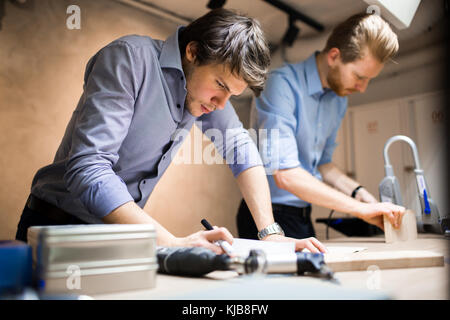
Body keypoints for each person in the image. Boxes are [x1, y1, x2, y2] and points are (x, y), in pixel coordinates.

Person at [16, 9, 327, 254]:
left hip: (116, 234)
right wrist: (170, 241)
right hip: (56, 226)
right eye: (220, 85)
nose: (221, 105)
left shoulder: (201, 94)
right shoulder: (128, 58)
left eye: (232, 94)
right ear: (192, 52)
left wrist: (270, 234)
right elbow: (89, 169)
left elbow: (241, 149)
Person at [237, 12, 406, 240]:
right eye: (359, 76)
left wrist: (360, 194)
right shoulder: (281, 85)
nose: (362, 88)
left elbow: (323, 164)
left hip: (301, 215)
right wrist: (360, 210)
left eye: (368, 80)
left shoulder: (338, 100)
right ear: (334, 56)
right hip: (265, 214)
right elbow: (285, 175)